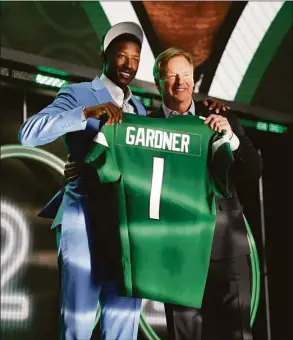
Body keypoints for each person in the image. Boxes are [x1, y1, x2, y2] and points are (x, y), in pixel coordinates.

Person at [18, 22, 147, 340]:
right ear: (104, 55)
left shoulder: (141, 109)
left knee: (123, 324)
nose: (129, 65)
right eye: (121, 56)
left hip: (127, 229)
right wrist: (86, 112)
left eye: (135, 58)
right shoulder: (77, 93)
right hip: (83, 220)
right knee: (78, 322)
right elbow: (29, 133)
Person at [148, 47, 263, 340]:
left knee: (238, 331)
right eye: (171, 75)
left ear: (194, 79)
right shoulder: (146, 124)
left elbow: (253, 170)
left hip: (227, 246)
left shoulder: (220, 116)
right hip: (176, 249)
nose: (180, 82)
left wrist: (231, 138)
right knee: (183, 334)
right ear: (158, 80)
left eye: (185, 74)